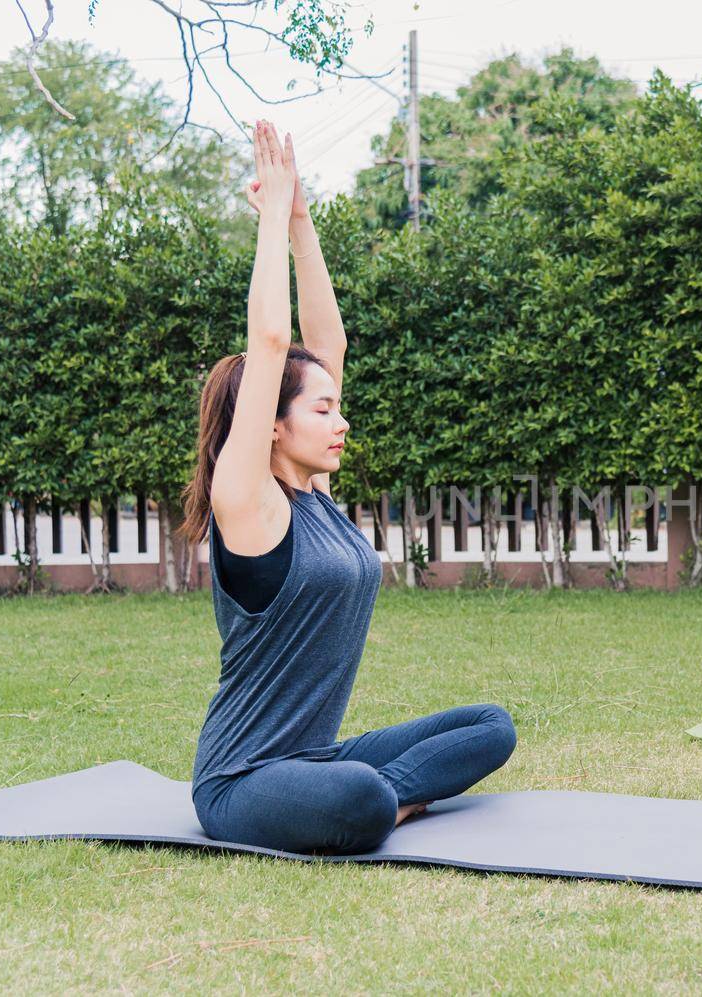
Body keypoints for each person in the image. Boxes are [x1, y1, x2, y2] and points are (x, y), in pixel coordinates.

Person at [179, 120, 516, 853]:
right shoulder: (249, 504)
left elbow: (323, 343)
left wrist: (301, 219)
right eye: (322, 409)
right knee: (364, 796)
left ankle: (377, 797)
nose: (341, 422)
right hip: (243, 778)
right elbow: (272, 341)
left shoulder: (318, 502)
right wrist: (269, 217)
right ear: (271, 424)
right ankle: (382, 801)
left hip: (315, 761)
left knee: (491, 725)